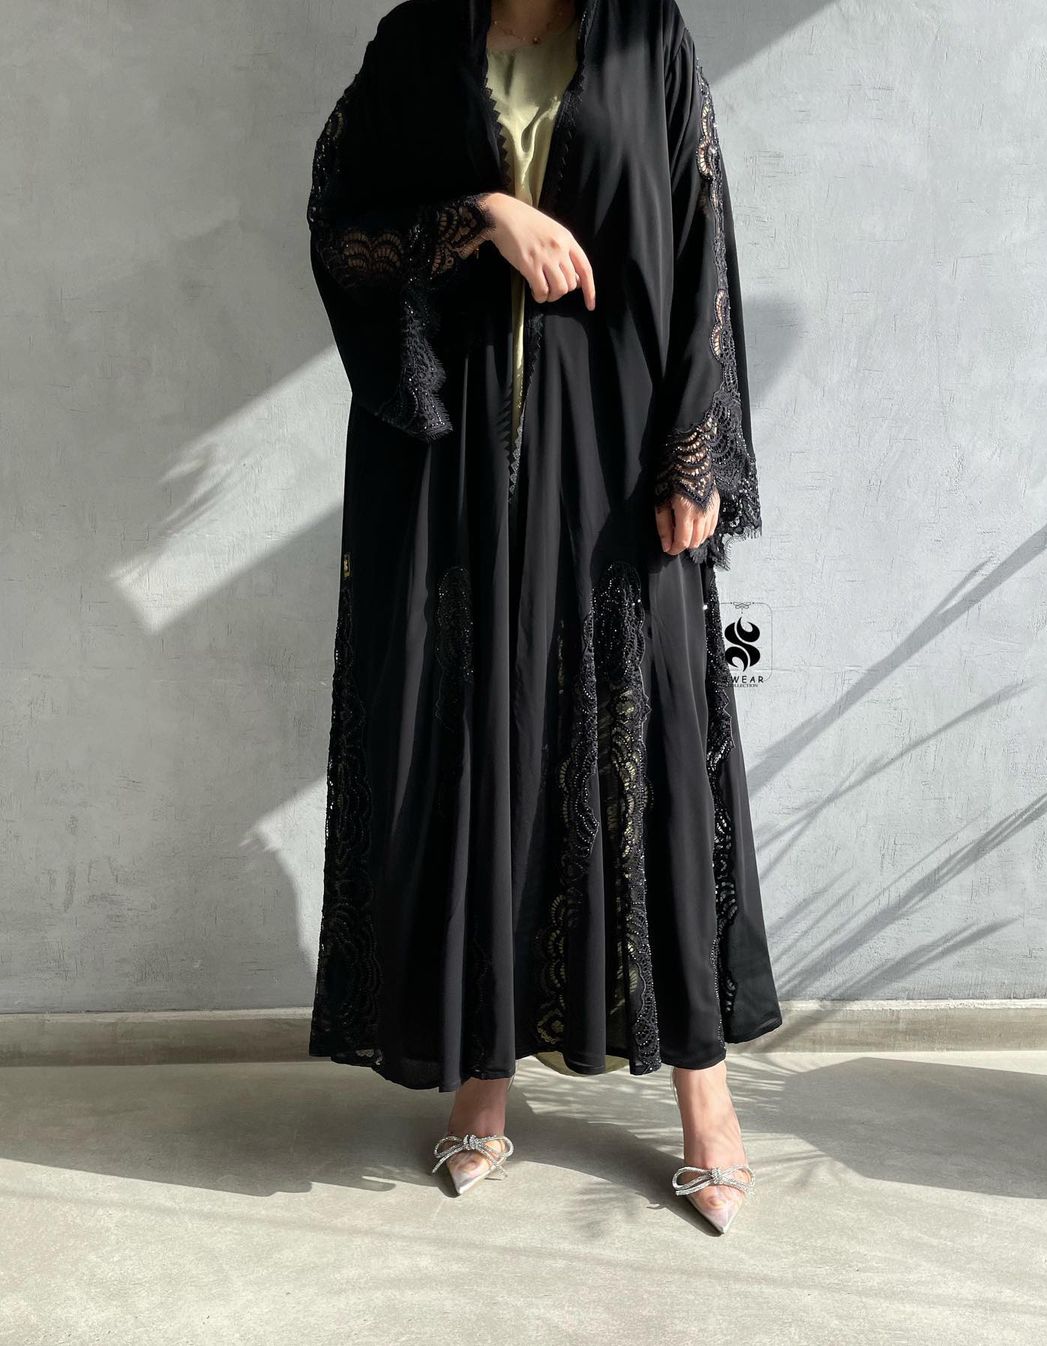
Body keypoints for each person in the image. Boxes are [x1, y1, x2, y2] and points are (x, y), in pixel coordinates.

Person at [306, 0, 783, 1235]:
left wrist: (694, 449)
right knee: (478, 747)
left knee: (648, 751)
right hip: (453, 466)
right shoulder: (416, 44)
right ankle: (483, 1072)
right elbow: (342, 229)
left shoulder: (645, 37)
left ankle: (707, 1100)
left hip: (615, 452)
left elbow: (701, 234)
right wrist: (483, 215)